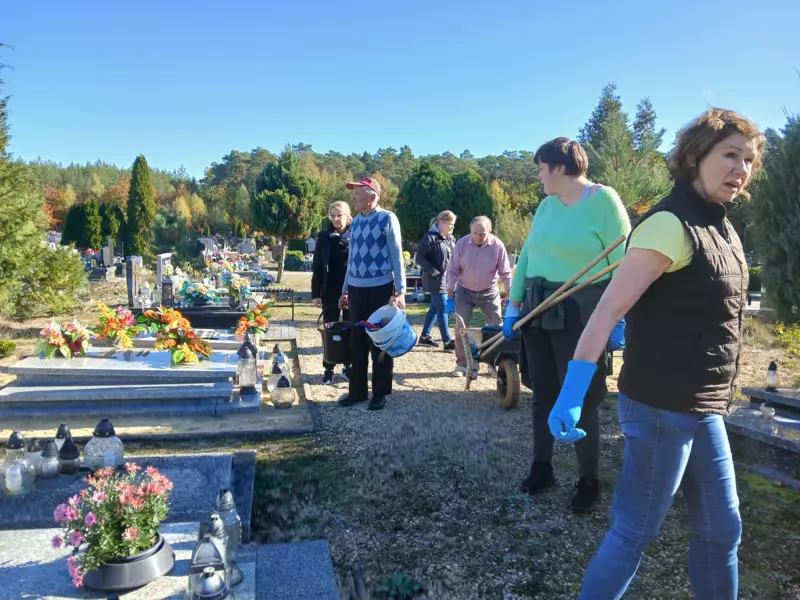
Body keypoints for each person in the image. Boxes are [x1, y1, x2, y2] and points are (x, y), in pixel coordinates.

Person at [552, 109, 764, 599]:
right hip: (661, 406)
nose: (741, 168)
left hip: (704, 405)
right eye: (730, 155)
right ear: (695, 157)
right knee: (635, 532)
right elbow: (608, 311)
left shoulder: (723, 228)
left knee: (722, 530)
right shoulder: (669, 224)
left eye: (749, 160)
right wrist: (572, 390)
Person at [503, 137, 631, 512]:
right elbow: (527, 257)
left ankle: (588, 479)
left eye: (542, 169)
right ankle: (542, 468)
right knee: (542, 391)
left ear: (561, 168)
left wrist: (619, 318)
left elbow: (624, 262)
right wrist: (513, 306)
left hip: (582, 311)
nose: (539, 176)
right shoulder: (546, 206)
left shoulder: (604, 201)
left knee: (581, 396)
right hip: (538, 306)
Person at [338, 177, 406, 411]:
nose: (354, 198)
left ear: (373, 196)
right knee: (356, 342)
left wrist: (401, 291)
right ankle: (357, 392)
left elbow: (396, 254)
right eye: (354, 194)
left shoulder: (387, 218)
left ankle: (380, 393)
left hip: (380, 288)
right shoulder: (356, 221)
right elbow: (352, 258)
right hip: (356, 289)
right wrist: (345, 289)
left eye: (358, 194)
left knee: (380, 340)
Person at [445, 216, 513, 377]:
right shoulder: (461, 244)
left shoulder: (497, 246)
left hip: (489, 291)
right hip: (464, 290)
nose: (478, 237)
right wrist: (450, 296)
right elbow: (453, 270)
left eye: (482, 234)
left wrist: (511, 296)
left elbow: (505, 273)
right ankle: (462, 364)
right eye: (474, 233)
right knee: (461, 328)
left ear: (490, 231)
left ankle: (493, 363)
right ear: (470, 230)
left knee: (496, 327)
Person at [311, 201, 352, 384]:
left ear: (348, 216)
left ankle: (349, 366)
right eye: (333, 215)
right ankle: (329, 367)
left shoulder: (357, 235)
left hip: (352, 288)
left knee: (351, 329)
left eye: (340, 215)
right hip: (330, 289)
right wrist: (316, 293)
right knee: (329, 330)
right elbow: (317, 266)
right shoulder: (324, 237)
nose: (336, 219)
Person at [416, 210, 458, 350]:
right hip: (435, 279)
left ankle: (424, 337)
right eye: (451, 224)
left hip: (447, 279)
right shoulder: (429, 238)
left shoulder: (449, 239)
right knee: (443, 308)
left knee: (434, 308)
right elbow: (419, 258)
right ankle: (447, 341)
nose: (453, 227)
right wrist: (433, 271)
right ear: (441, 222)